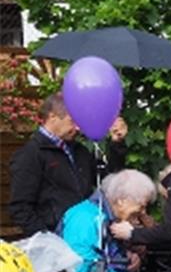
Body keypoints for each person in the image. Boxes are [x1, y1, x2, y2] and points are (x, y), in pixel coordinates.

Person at [8, 93, 127, 238]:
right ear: (53, 117)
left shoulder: (80, 151)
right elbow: (20, 207)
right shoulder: (31, 154)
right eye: (72, 121)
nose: (77, 128)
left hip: (85, 236)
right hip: (56, 240)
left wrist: (117, 144)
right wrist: (48, 240)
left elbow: (109, 181)